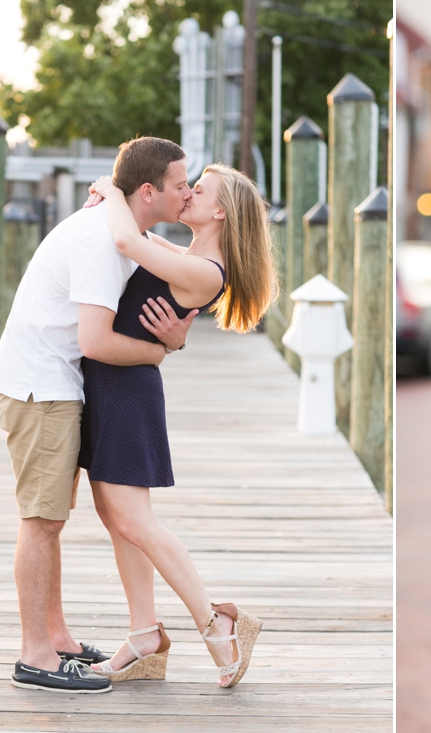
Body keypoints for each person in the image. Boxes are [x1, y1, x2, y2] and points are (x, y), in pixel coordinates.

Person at [0, 136, 197, 693]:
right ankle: (35, 654)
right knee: (42, 521)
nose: (189, 191)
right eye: (181, 184)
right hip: (39, 387)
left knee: (50, 519)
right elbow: (97, 341)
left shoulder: (121, 229)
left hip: (53, 384)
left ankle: (57, 639)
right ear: (149, 190)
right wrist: (160, 350)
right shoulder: (103, 241)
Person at [78, 161, 276, 688]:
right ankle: (143, 634)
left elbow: (125, 238)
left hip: (127, 393)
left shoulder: (207, 272)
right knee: (117, 515)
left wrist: (109, 188)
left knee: (133, 518)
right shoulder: (187, 257)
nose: (185, 194)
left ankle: (217, 622)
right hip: (111, 383)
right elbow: (138, 239)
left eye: (198, 189)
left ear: (220, 211)